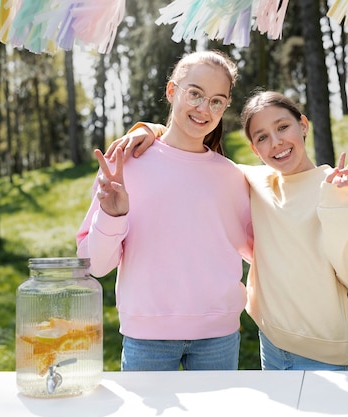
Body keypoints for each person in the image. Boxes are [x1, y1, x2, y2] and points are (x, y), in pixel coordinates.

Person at [109, 91, 348, 371]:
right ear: (255, 149)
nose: (276, 143)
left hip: (327, 354)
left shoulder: (337, 186)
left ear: (303, 125)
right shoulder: (253, 180)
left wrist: (340, 208)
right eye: (262, 137)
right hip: (272, 346)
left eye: (283, 127)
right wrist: (152, 130)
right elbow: (190, 152)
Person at [76, 50, 253, 372]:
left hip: (219, 336)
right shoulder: (125, 164)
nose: (204, 109)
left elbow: (261, 249)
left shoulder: (232, 176)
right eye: (195, 94)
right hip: (147, 338)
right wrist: (112, 216)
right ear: (172, 91)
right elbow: (96, 266)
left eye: (216, 101)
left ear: (226, 106)